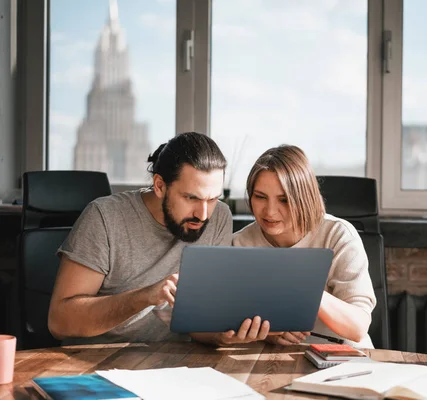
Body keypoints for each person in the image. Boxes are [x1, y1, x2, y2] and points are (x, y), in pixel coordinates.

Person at [48, 132, 270, 346]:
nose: (203, 215)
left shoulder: (219, 216)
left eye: (212, 199)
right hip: (99, 362)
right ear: (160, 186)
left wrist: (222, 336)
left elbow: (200, 321)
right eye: (191, 198)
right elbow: (60, 322)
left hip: (175, 362)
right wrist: (144, 297)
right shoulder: (105, 217)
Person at [233, 145, 376, 348]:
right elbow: (233, 320)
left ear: (303, 197)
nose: (270, 211)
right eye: (260, 197)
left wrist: (307, 290)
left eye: (284, 199)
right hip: (274, 358)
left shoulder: (338, 235)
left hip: (342, 356)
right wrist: (268, 334)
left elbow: (358, 327)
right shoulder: (240, 243)